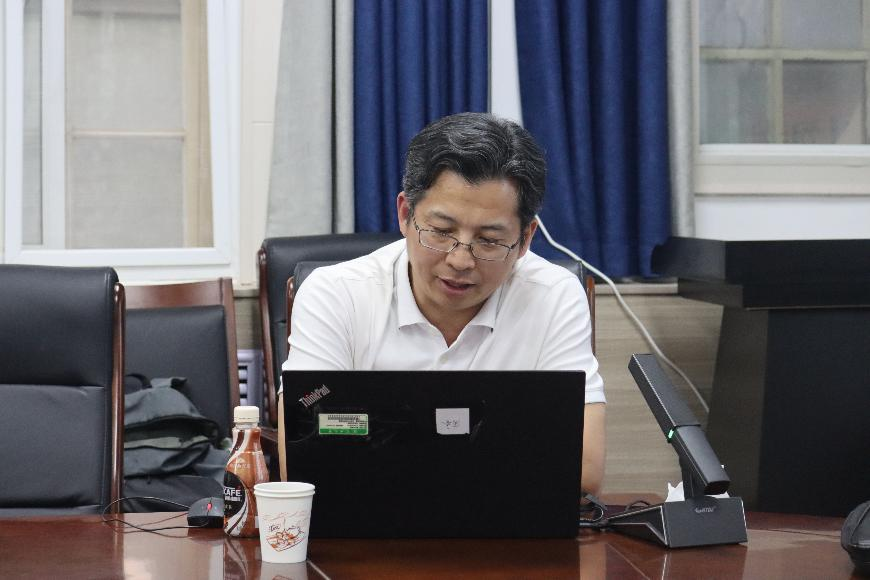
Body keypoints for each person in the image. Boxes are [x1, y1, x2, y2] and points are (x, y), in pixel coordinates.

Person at [278, 112, 606, 495]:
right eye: (441, 231)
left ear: (525, 239)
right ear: (405, 214)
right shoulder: (335, 294)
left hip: (508, 527)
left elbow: (584, 466)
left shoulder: (554, 297)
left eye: (489, 240)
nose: (460, 260)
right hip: (369, 527)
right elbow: (303, 459)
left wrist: (388, 449)